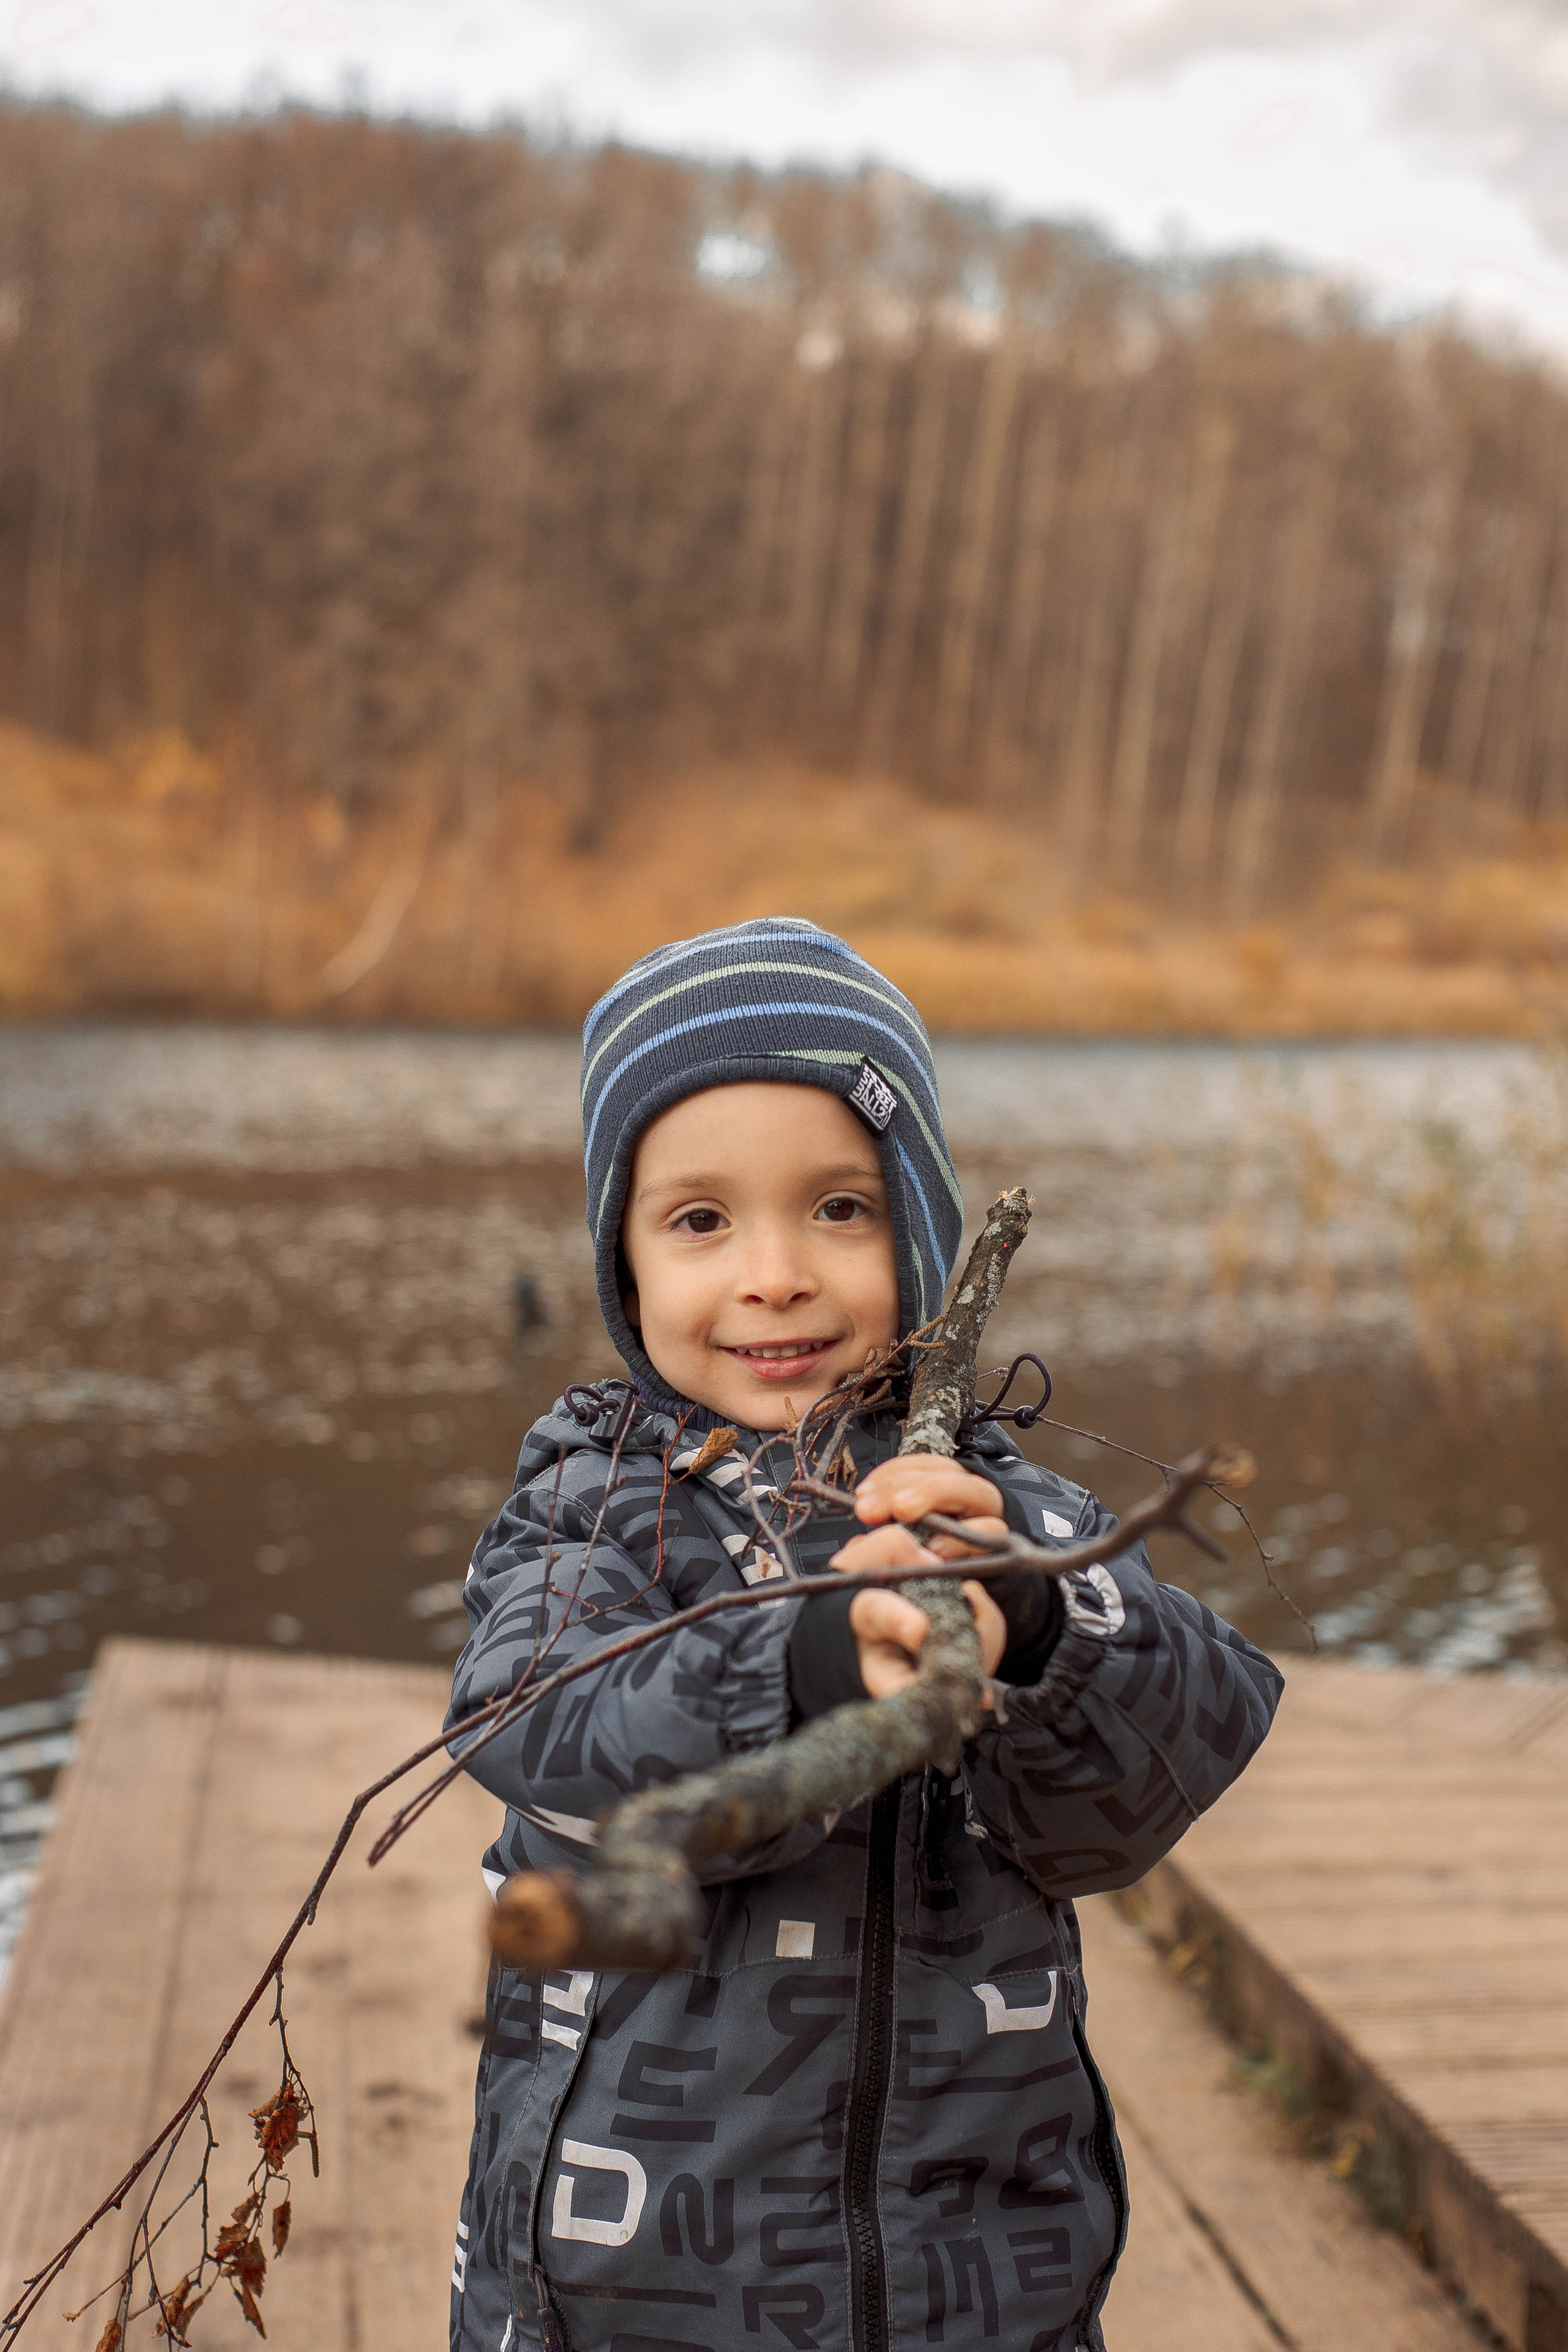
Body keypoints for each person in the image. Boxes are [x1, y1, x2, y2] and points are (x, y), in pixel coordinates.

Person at [447, 916, 1282, 2352]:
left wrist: (1029, 1613)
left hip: (985, 2278)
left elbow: (1163, 1768)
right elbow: (536, 1721)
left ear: (920, 1225)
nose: (774, 1275)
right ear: (624, 1265)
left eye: (836, 1208)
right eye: (700, 1221)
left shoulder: (998, 1501)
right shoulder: (596, 1505)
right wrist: (805, 1667)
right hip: (634, 2281)